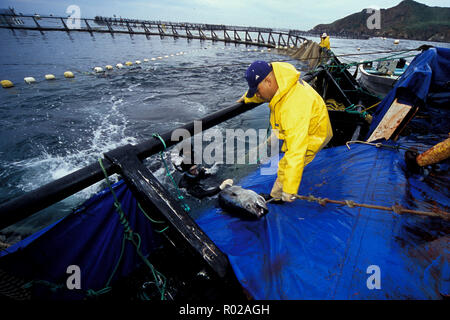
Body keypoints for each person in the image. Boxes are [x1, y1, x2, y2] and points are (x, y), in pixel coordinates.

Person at [239, 60, 333, 202]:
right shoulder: (283, 81)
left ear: (268, 82)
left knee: (287, 162)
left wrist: (290, 189)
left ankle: (278, 197)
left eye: (257, 91)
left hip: (314, 134)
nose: (257, 95)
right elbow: (261, 95)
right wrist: (247, 98)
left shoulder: (293, 108)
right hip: (296, 125)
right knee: (282, 150)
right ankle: (278, 194)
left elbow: (296, 152)